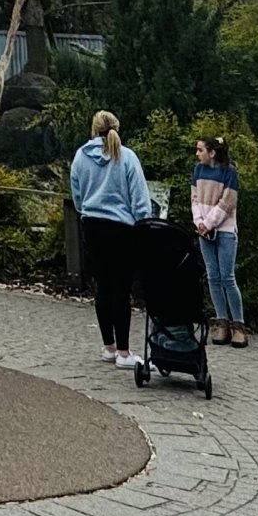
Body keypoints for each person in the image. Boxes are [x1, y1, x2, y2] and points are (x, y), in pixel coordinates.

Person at [69, 109, 154, 366]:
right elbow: (140, 199)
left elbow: (77, 196)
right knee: (121, 290)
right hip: (121, 229)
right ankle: (124, 353)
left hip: (92, 227)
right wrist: (144, 225)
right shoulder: (127, 157)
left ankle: (109, 347)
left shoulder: (80, 157)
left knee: (103, 287)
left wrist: (87, 210)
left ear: (93, 129)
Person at [190, 135, 246, 347]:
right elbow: (194, 198)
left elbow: (228, 201)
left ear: (212, 153)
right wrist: (199, 221)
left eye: (201, 150)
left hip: (224, 229)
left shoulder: (229, 172)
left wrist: (209, 222)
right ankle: (221, 321)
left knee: (227, 277)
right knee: (213, 276)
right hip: (204, 230)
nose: (197, 154)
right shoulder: (198, 170)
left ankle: (238, 325)